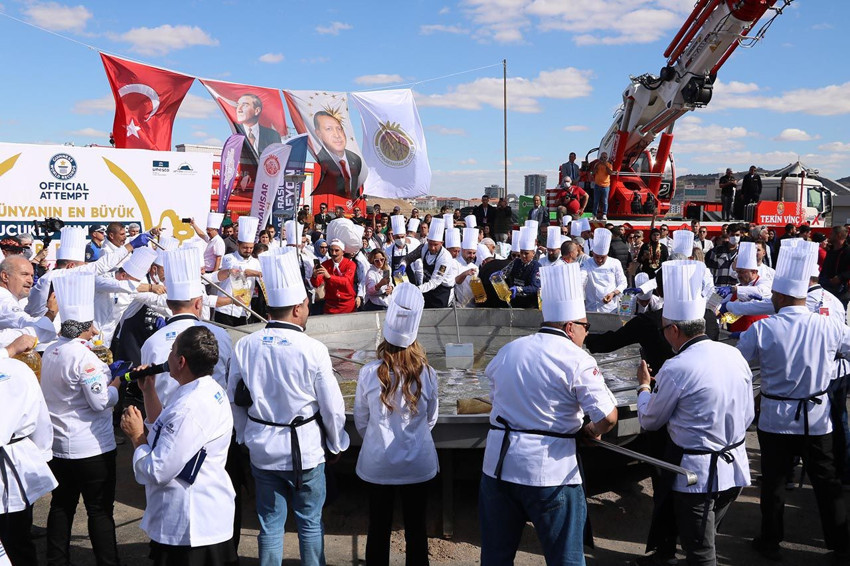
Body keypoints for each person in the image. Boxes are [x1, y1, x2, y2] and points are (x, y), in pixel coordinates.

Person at [479, 262, 618, 565]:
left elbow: (495, 394)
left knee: (495, 557)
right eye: (585, 326)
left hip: (498, 466)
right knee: (564, 558)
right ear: (571, 327)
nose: (586, 333)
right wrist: (591, 433)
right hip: (550, 472)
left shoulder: (510, 350)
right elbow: (608, 416)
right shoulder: (577, 359)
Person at [229, 250, 349, 566]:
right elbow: (332, 406)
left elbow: (234, 397)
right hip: (306, 449)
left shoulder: (245, 345)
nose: (309, 310)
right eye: (307, 306)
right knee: (309, 522)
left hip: (263, 447)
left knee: (270, 524)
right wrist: (336, 443)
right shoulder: (313, 349)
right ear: (297, 308)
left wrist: (243, 436)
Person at [737, 240, 850, 562]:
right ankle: (840, 543)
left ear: (782, 295)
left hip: (776, 418)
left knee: (773, 483)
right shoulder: (830, 325)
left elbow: (740, 365)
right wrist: (828, 364)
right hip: (817, 417)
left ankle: (770, 541)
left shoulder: (764, 329)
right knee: (826, 482)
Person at [636, 260, 754, 566]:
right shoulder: (733, 354)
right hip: (734, 467)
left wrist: (644, 388)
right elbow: (748, 414)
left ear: (673, 329)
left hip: (696, 476)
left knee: (702, 554)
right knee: (702, 540)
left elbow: (650, 419)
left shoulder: (676, 367)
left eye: (663, 330)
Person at [120, 326, 238, 566]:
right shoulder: (204, 389)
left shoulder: (191, 406)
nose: (167, 358)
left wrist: (136, 436)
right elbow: (168, 431)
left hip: (191, 525)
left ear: (181, 361)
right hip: (199, 519)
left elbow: (159, 470)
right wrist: (149, 391)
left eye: (172, 351)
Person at [354, 283, 438, 566]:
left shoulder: (368, 373)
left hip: (379, 463)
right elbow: (432, 418)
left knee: (377, 526)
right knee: (417, 528)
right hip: (418, 463)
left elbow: (361, 422)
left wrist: (378, 438)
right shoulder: (428, 373)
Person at [41, 273, 122, 566]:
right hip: (91, 449)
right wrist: (116, 384)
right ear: (86, 327)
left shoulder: (51, 350)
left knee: (61, 507)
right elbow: (101, 402)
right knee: (99, 510)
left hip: (59, 446)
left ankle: (56, 560)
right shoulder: (84, 358)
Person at [0, 334, 59, 565]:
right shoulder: (21, 370)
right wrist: (42, 456)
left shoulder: (18, 368)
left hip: (14, 462)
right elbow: (41, 420)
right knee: (18, 538)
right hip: (18, 463)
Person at [395, 219, 455, 309]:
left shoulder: (445, 258)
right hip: (426, 287)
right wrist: (403, 265)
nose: (432, 247)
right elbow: (408, 258)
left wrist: (417, 289)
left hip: (441, 292)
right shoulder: (424, 247)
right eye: (430, 243)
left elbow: (434, 282)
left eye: (435, 244)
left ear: (441, 243)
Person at [0, 255, 58, 344]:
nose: (30, 280)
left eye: (31, 275)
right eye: (24, 274)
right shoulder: (4, 300)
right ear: (5, 276)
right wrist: (51, 312)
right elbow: (30, 325)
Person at [215, 216, 262, 326]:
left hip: (243, 308)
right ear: (238, 244)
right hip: (224, 308)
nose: (248, 250)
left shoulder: (256, 262)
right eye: (245, 247)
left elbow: (262, 280)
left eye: (251, 248)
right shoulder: (229, 257)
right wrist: (250, 272)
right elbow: (235, 269)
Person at [313, 110, 365, 200]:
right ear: (318, 133)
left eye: (339, 128)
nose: (337, 135)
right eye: (329, 129)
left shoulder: (355, 159)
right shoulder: (322, 161)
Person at [582, 228, 627, 314]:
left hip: (611, 308)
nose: (599, 260)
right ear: (593, 254)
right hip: (591, 308)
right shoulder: (586, 263)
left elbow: (623, 283)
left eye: (602, 257)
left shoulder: (615, 263)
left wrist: (613, 293)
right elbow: (581, 278)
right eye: (597, 257)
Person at [311, 239, 357, 314]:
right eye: (331, 250)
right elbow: (316, 284)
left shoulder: (350, 264)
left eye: (336, 250)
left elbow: (346, 281)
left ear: (343, 252)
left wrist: (329, 277)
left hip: (347, 306)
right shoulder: (325, 264)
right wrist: (315, 276)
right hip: (331, 306)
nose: (333, 253)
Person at [503, 226, 541, 309]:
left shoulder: (536, 267)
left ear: (533, 253)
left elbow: (535, 287)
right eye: (521, 253)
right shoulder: (516, 262)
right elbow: (504, 273)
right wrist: (498, 276)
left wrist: (519, 289)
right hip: (515, 301)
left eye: (526, 253)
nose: (523, 256)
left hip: (529, 304)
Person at [592, 152, 614, 220]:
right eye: (602, 157)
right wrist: (598, 164)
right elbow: (593, 172)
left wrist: (605, 164)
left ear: (606, 158)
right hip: (597, 185)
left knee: (604, 201)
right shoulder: (597, 164)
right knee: (596, 201)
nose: (603, 159)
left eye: (604, 157)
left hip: (605, 185)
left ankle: (604, 214)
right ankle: (594, 214)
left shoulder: (609, 165)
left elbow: (610, 173)